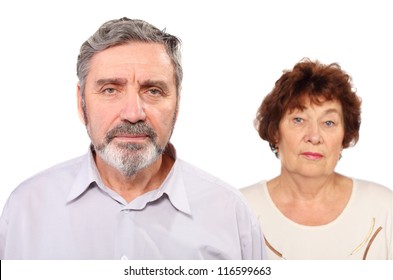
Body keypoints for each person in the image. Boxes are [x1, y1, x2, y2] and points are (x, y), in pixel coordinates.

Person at [0, 17, 263, 260]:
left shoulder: (230, 213)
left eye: (153, 91)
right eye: (110, 89)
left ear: (178, 105)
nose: (133, 114)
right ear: (81, 104)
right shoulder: (25, 208)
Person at [241, 58, 392, 260]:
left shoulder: (383, 208)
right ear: (275, 132)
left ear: (344, 136)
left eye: (328, 122)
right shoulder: (241, 209)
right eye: (298, 120)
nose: (314, 136)